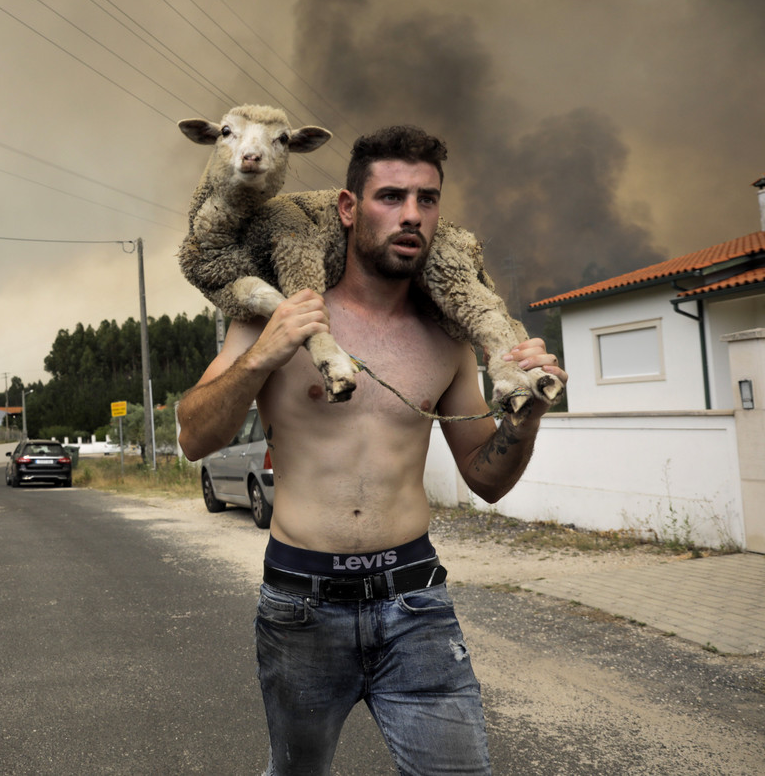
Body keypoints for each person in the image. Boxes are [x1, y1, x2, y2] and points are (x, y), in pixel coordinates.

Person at [177, 125, 567, 776]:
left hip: (415, 601)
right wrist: (267, 351)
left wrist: (525, 421)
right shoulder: (274, 311)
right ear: (349, 208)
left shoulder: (444, 334)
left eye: (426, 198)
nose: (412, 214)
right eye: (391, 196)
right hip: (300, 604)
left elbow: (485, 477)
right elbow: (194, 435)